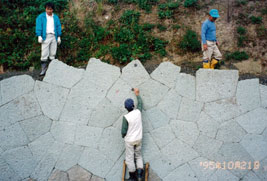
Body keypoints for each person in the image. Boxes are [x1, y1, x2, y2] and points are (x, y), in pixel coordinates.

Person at [122, 88, 144, 181]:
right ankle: (139, 174)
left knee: (130, 158)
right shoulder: (138, 112)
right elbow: (140, 104)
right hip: (138, 138)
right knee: (138, 155)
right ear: (133, 106)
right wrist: (137, 94)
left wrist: (124, 136)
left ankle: (132, 177)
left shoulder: (126, 117)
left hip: (130, 141)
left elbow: (123, 131)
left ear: (125, 108)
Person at [36, 2, 62, 76]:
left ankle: (51, 70)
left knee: (52, 54)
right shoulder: (41, 17)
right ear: (45, 9)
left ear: (52, 10)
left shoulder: (56, 17)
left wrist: (59, 36)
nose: (49, 11)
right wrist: (39, 35)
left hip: (54, 36)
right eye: (47, 9)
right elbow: (39, 26)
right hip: (45, 36)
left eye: (50, 9)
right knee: (44, 54)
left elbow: (58, 26)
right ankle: (43, 70)